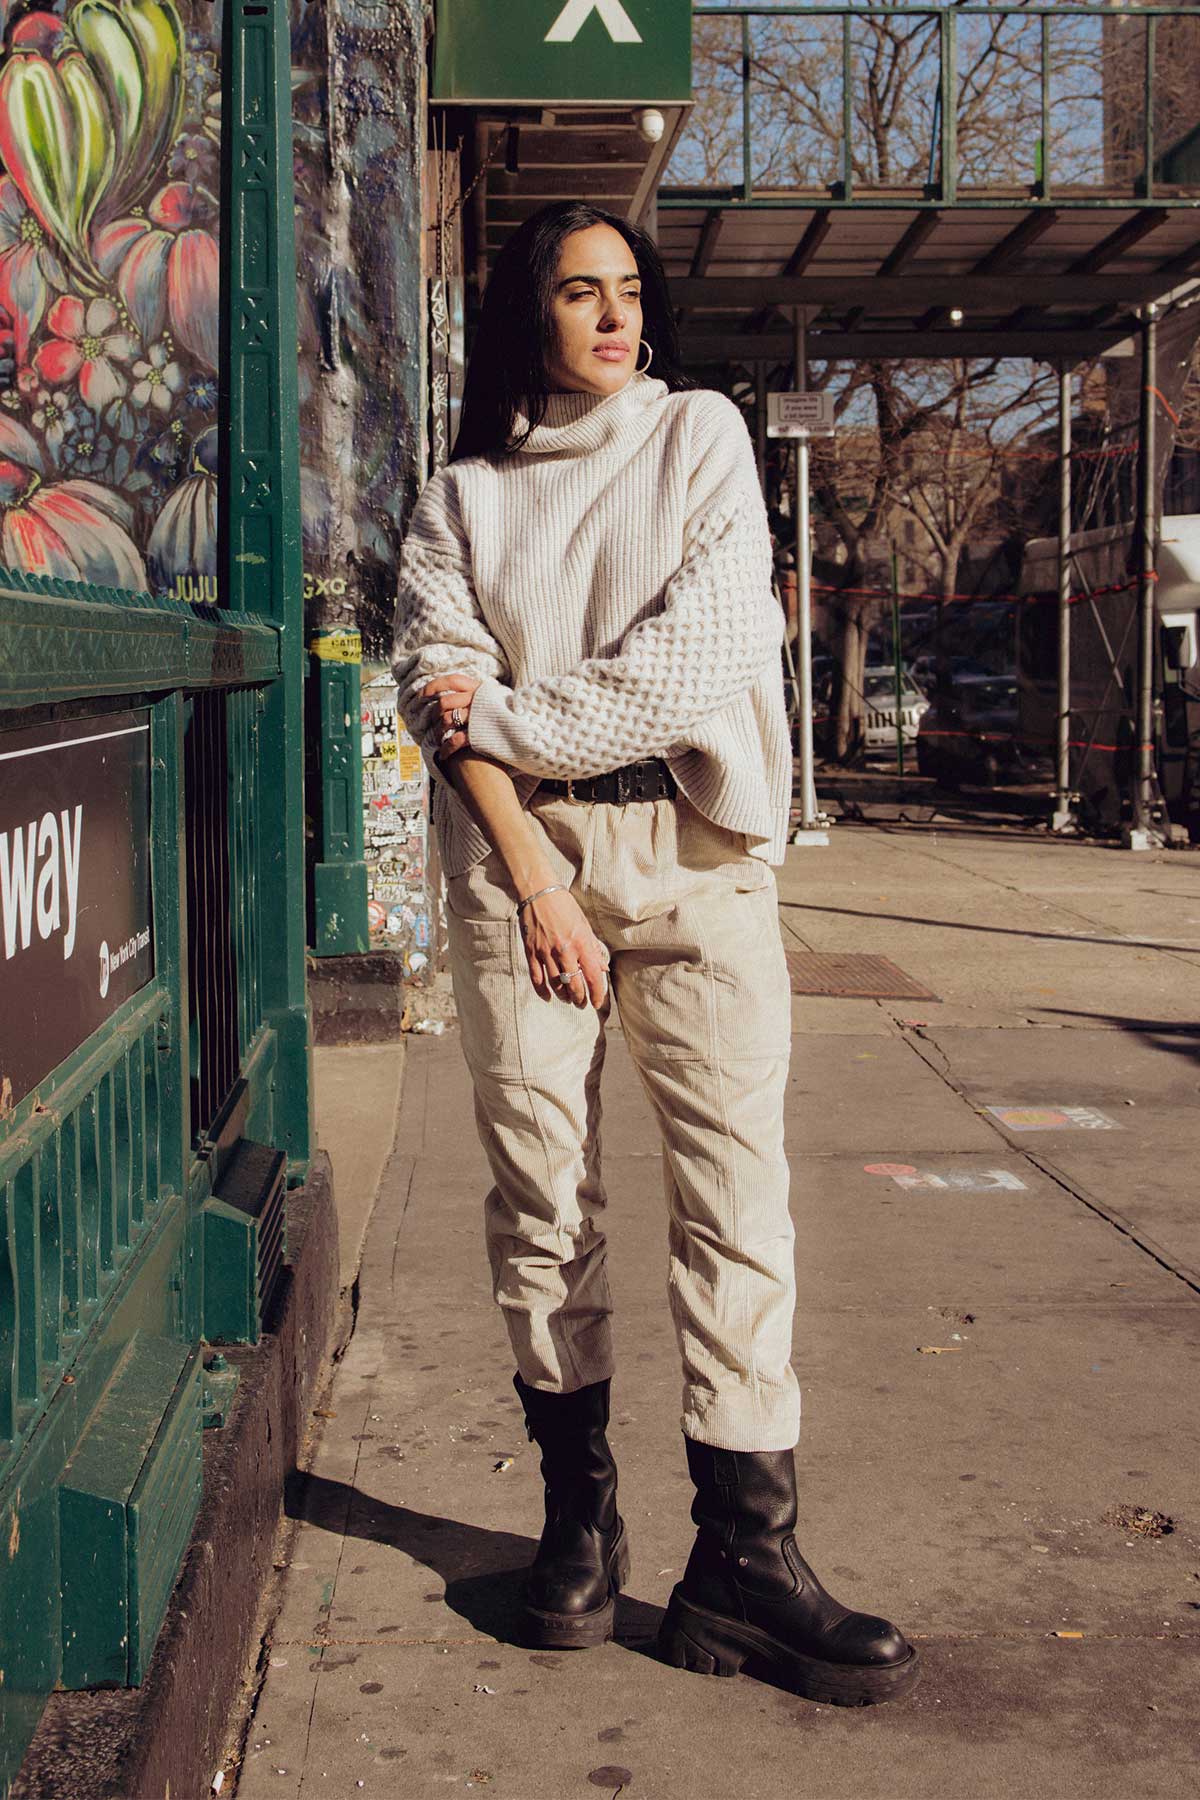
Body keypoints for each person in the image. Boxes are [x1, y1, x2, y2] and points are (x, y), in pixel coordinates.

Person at [391, 201, 918, 1707]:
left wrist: (493, 715)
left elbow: (699, 660)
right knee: (543, 1197)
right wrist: (532, 861)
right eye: (578, 292)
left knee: (737, 1202)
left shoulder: (699, 439)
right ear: (529, 315)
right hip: (522, 871)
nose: (612, 316)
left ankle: (745, 1560)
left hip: (697, 861)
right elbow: (442, 704)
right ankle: (579, 1518)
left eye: (628, 290)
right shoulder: (461, 500)